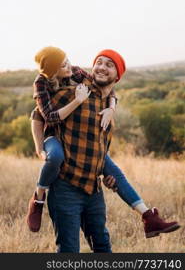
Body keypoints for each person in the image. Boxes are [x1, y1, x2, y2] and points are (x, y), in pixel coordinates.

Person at [30, 49, 180, 252]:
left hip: (93, 189)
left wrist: (112, 107)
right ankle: (38, 198)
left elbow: (98, 147)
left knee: (102, 247)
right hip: (66, 188)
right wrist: (40, 148)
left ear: (117, 76)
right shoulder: (75, 92)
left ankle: (149, 217)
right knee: (69, 251)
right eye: (98, 62)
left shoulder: (107, 104)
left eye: (109, 65)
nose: (101, 67)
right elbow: (38, 114)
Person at [26, 46, 117, 232]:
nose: (69, 66)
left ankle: (146, 214)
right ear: (52, 72)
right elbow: (46, 116)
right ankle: (38, 197)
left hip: (70, 131)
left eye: (67, 60)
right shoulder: (41, 83)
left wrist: (111, 108)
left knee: (109, 165)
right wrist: (77, 101)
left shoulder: (75, 72)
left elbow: (105, 88)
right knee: (56, 157)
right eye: (62, 65)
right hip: (52, 132)